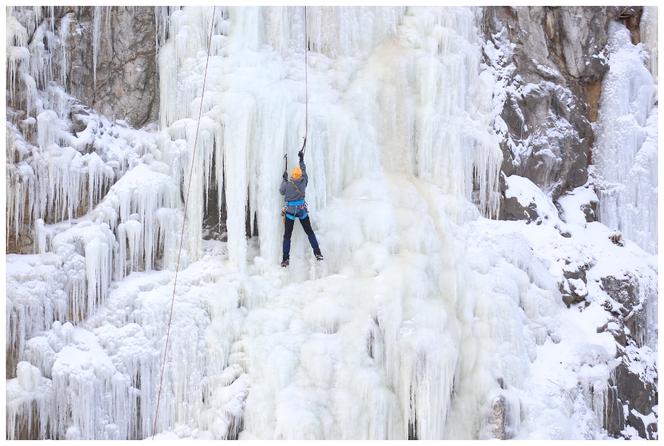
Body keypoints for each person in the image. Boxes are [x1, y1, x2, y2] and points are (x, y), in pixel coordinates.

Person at [279, 150, 323, 267]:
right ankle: (317, 252)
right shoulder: (303, 182)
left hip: (290, 213)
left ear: (293, 176)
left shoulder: (288, 185)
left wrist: (284, 179)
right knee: (309, 232)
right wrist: (301, 160)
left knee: (287, 235)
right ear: (300, 176)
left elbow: (281, 191)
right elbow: (304, 172)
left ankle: (285, 259)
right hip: (302, 211)